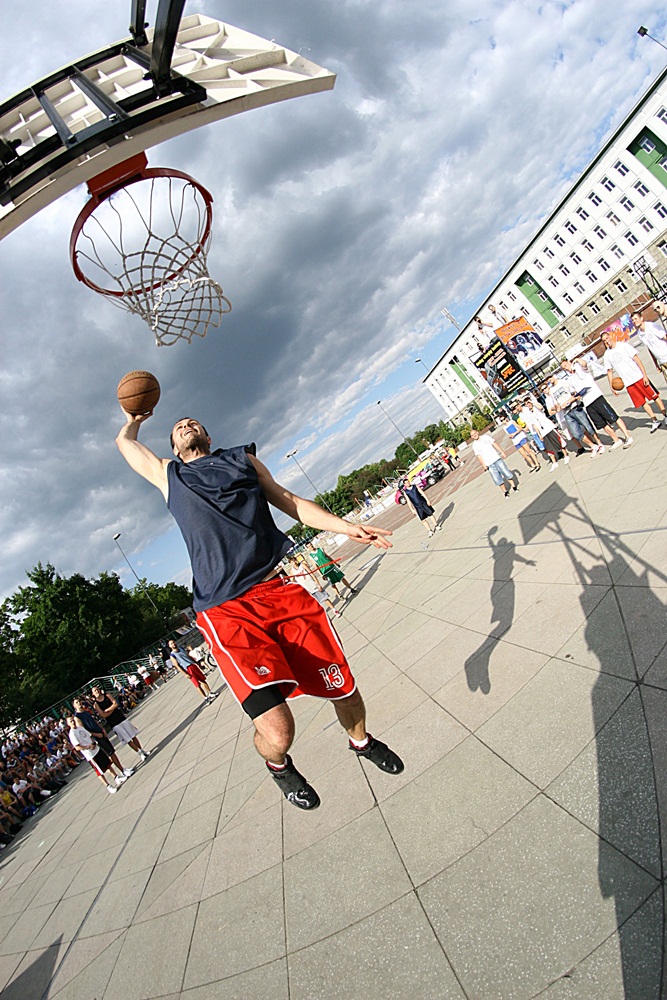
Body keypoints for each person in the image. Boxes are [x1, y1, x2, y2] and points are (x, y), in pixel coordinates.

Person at [116, 412, 403, 811]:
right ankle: (279, 765)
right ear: (173, 448)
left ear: (208, 433)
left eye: (193, 421)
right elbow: (125, 445)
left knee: (346, 691)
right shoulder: (171, 476)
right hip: (225, 611)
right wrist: (133, 419)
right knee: (280, 731)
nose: (186, 425)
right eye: (178, 427)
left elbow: (289, 501)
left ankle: (362, 742)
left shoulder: (242, 460)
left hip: (278, 591)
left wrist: (346, 527)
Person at [560, 358, 633, 450]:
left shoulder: (580, 368)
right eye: (563, 368)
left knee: (613, 417)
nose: (565, 368)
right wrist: (572, 399)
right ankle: (616, 439)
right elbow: (574, 393)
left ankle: (627, 436)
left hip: (596, 397)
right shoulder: (569, 380)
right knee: (601, 424)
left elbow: (584, 363)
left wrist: (577, 360)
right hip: (587, 403)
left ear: (569, 363)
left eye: (565, 366)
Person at [601, 331, 667, 432]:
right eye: (604, 341)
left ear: (610, 336)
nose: (607, 341)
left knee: (654, 396)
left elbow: (637, 359)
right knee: (642, 402)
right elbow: (609, 371)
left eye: (607, 338)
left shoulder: (623, 346)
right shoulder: (607, 355)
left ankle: (665, 415)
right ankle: (654, 420)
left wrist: (644, 375)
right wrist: (611, 386)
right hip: (628, 383)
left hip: (639, 377)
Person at [72, 697, 134, 779]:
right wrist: (96, 735)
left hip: (100, 733)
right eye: (77, 702)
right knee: (110, 754)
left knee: (112, 752)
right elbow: (84, 731)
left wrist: (102, 729)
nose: (79, 703)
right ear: (74, 706)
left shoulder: (85, 712)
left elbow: (94, 721)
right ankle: (121, 771)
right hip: (96, 738)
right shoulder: (77, 717)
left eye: (79, 701)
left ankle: (122, 769)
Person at [90, 685, 151, 762]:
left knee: (133, 735)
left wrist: (108, 710)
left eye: (97, 689)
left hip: (121, 718)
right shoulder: (96, 705)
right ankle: (140, 753)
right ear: (93, 694)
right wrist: (112, 709)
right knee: (127, 739)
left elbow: (115, 704)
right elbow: (103, 715)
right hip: (114, 723)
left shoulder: (107, 695)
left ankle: (142, 750)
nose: (97, 691)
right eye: (95, 691)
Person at [67, 716, 125, 794]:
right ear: (68, 724)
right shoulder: (72, 734)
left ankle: (116, 777)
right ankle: (108, 786)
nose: (73, 722)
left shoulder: (80, 728)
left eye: (73, 720)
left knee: (107, 764)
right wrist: (88, 747)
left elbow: (89, 736)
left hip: (96, 749)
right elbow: (77, 747)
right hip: (90, 755)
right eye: (71, 721)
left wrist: (93, 743)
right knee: (99, 771)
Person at [519, 399, 566, 470]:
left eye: (528, 402)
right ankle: (554, 462)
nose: (528, 404)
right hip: (542, 431)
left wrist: (532, 402)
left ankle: (565, 455)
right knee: (548, 447)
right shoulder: (528, 413)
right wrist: (539, 434)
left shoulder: (536, 407)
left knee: (558, 441)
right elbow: (534, 424)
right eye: (526, 403)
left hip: (548, 427)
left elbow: (541, 407)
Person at [470, 429, 518, 497]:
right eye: (472, 435)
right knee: (497, 478)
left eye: (475, 433)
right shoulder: (474, 445)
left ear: (477, 432)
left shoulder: (485, 437)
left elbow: (494, 443)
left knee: (506, 472)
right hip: (489, 464)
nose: (474, 435)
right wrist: (483, 464)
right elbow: (479, 456)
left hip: (496, 459)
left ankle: (514, 486)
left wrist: (502, 451)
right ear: (471, 437)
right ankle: (505, 491)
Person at [168, 639, 217, 703]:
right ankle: (205, 698)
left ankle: (210, 693)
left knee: (203, 680)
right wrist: (185, 674)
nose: (173, 644)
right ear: (169, 646)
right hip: (188, 669)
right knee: (197, 684)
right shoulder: (172, 655)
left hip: (193, 665)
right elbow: (177, 666)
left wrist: (196, 663)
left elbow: (188, 656)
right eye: (171, 644)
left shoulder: (182, 648)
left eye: (173, 642)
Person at [631, 310, 667, 380]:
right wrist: (656, 364)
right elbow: (650, 348)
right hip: (661, 361)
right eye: (632, 320)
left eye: (636, 319)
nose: (634, 321)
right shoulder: (640, 334)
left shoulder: (652, 326)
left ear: (641, 318)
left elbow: (665, 337)